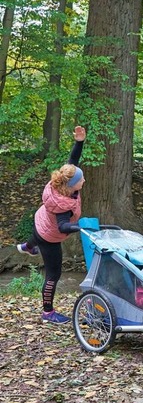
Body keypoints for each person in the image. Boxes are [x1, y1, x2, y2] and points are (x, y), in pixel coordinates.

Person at [16, 126, 87, 324]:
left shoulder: (61, 182)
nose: (84, 180)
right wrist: (80, 227)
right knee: (53, 274)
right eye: (81, 180)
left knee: (36, 236)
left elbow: (72, 162)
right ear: (72, 185)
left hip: (40, 221)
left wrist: (79, 142)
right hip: (50, 236)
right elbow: (63, 227)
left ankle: (27, 247)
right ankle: (48, 312)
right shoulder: (63, 205)